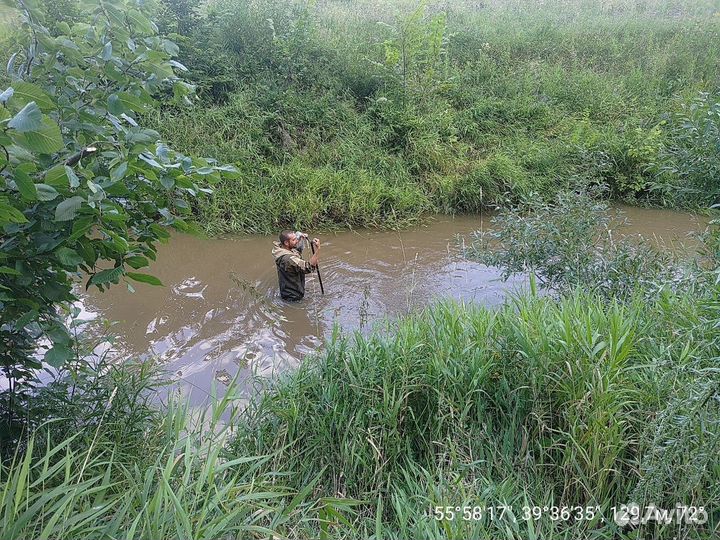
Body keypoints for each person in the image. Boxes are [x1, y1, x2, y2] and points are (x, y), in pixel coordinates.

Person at [272, 230, 320, 301]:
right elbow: (308, 268)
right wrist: (318, 250)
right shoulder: (288, 259)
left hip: (288, 289)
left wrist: (299, 236)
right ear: (286, 243)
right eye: (294, 240)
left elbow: (296, 250)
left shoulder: (281, 248)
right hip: (293, 295)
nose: (297, 241)